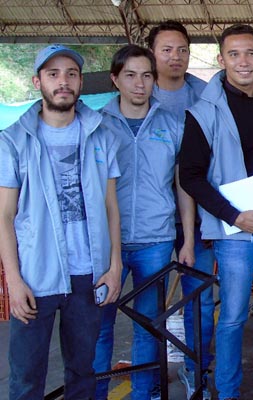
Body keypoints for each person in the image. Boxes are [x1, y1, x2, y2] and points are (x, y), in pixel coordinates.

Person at [1, 44, 122, 399]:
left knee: (83, 371)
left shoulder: (101, 134)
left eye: (71, 74)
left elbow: (111, 207)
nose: (63, 82)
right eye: (53, 75)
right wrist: (14, 280)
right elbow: (4, 216)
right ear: (37, 82)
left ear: (81, 82)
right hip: (36, 276)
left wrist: (114, 266)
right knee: (26, 377)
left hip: (88, 275)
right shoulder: (13, 141)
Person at [179, 24, 253, 400]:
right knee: (232, 317)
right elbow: (190, 177)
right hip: (234, 231)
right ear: (220, 60)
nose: (243, 62)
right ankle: (225, 391)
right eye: (234, 54)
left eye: (250, 53)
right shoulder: (202, 111)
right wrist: (232, 215)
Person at [92, 44, 192, 400]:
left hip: (155, 240)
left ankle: (142, 394)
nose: (140, 84)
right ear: (115, 79)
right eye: (131, 75)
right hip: (103, 245)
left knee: (148, 326)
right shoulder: (96, 124)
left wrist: (188, 240)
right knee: (99, 330)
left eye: (147, 76)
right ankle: (97, 393)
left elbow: (183, 186)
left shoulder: (173, 124)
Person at [146, 20, 214, 399]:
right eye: (166, 49)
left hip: (199, 221)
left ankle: (195, 375)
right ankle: (152, 377)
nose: (175, 57)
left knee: (199, 301)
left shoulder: (206, 97)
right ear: (152, 53)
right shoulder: (138, 92)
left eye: (182, 50)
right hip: (151, 224)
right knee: (148, 306)